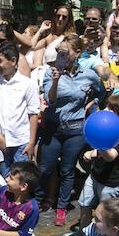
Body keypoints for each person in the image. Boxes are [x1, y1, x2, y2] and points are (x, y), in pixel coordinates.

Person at [38, 35, 104, 225]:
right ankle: (38, 199)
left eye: (66, 52)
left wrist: (93, 102)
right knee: (45, 168)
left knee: (67, 170)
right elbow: (50, 100)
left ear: (77, 53)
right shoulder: (51, 72)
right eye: (59, 52)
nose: (62, 55)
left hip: (75, 129)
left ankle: (62, 207)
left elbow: (100, 90)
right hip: (53, 127)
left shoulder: (88, 75)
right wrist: (57, 80)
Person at [75, 95, 119, 228]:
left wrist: (99, 145)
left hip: (111, 183)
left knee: (105, 214)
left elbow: (111, 156)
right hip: (95, 175)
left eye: (110, 108)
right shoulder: (103, 126)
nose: (104, 110)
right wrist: (93, 152)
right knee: (84, 203)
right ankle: (83, 233)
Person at [0, 43, 40, 176]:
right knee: (5, 177)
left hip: (21, 141)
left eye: (0, 61)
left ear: (13, 61)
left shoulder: (27, 83)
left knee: (20, 179)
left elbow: (33, 113)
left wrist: (31, 142)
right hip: (0, 140)